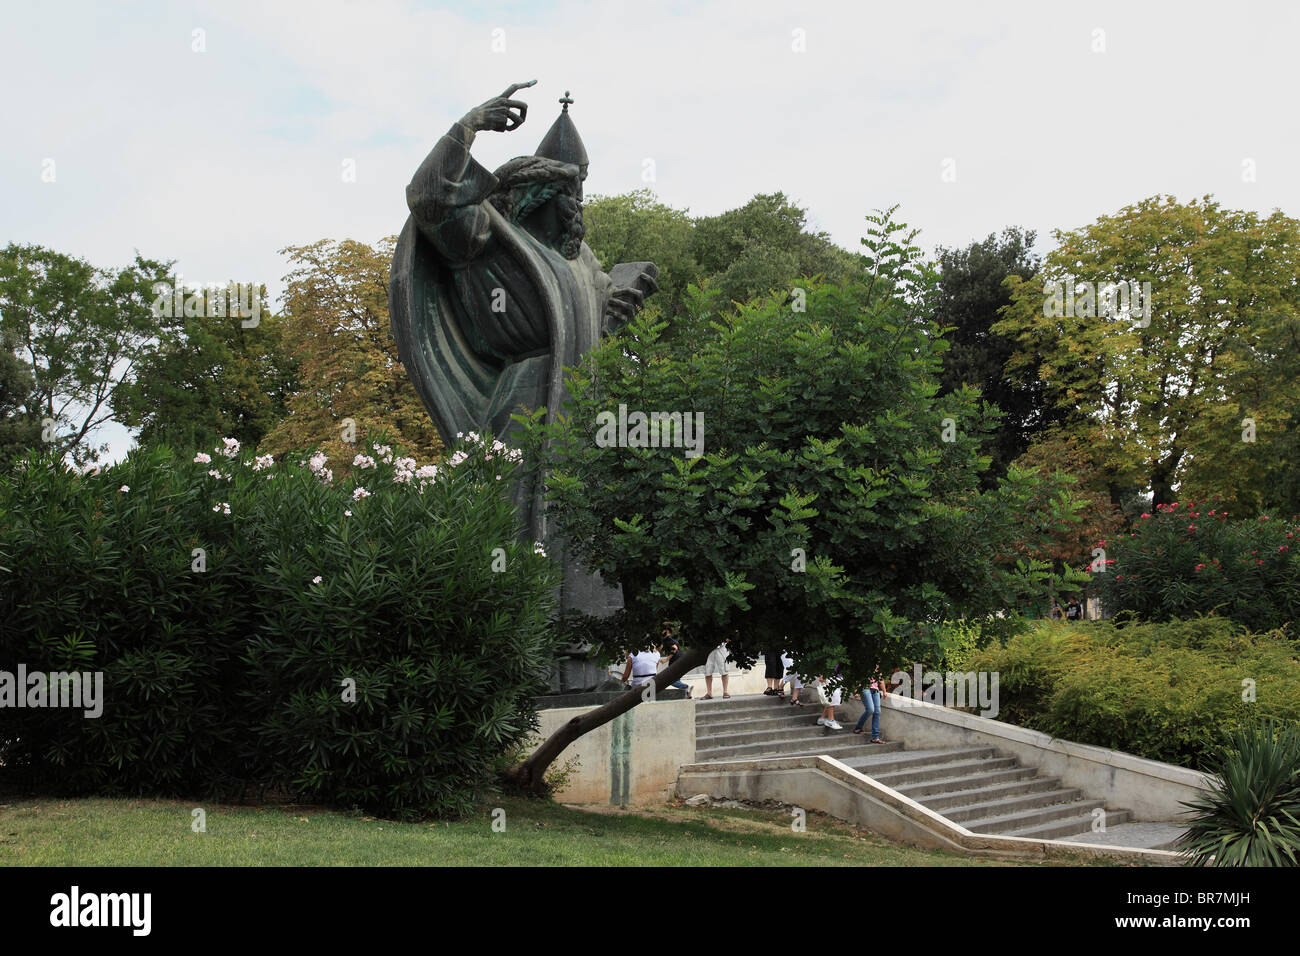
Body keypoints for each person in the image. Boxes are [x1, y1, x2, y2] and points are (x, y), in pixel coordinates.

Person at [854, 664, 887, 743]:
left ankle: (875, 737)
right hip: (865, 688)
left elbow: (881, 679)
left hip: (875, 690)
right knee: (870, 709)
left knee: (877, 712)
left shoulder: (878, 666)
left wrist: (884, 691)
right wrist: (856, 690)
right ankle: (858, 727)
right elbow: (858, 677)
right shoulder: (866, 662)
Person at [659, 625, 691, 698]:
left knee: (670, 679)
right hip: (679, 659)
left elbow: (674, 648)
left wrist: (666, 659)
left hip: (676, 660)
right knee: (676, 678)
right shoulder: (672, 638)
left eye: (662, 630)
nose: (661, 632)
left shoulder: (668, 639)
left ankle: (686, 688)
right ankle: (687, 694)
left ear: (667, 631)